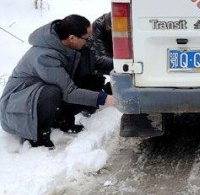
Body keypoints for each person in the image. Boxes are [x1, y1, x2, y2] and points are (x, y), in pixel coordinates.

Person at [0, 15, 116, 149]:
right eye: (87, 38)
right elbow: (69, 93)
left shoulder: (73, 47)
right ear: (72, 38)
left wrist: (125, 65)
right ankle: (38, 137)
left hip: (37, 99)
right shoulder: (44, 56)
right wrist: (105, 98)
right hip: (18, 109)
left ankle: (63, 121)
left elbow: (97, 62)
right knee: (52, 93)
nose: (90, 41)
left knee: (92, 79)